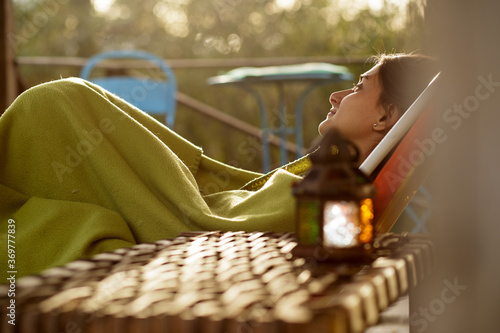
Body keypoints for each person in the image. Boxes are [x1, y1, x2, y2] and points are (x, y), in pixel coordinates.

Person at [0, 53, 437, 278]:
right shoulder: (334, 189)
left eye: (359, 87)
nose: (336, 96)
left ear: (384, 117)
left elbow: (208, 219)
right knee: (59, 103)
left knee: (58, 101)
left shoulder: (327, 201)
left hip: (187, 238)